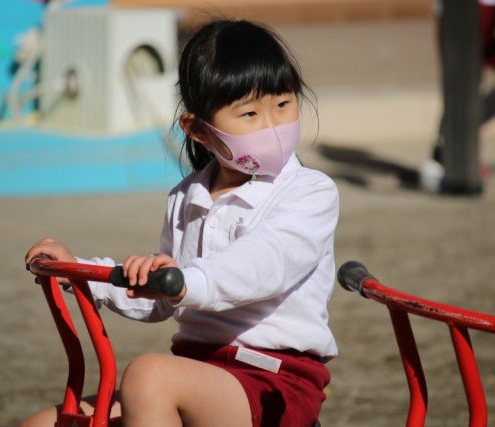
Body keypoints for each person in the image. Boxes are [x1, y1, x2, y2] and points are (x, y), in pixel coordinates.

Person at [22, 18, 339, 427]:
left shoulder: (310, 192)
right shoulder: (185, 197)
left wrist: (187, 280)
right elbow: (160, 296)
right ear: (198, 129)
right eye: (249, 113)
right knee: (41, 424)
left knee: (149, 376)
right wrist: (84, 274)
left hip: (272, 379)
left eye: (283, 105)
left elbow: (266, 262)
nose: (273, 127)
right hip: (198, 374)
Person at [421, 0, 495, 191]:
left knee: (464, 88)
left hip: (455, 13)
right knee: (468, 87)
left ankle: (443, 153)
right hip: (481, 12)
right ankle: (447, 153)